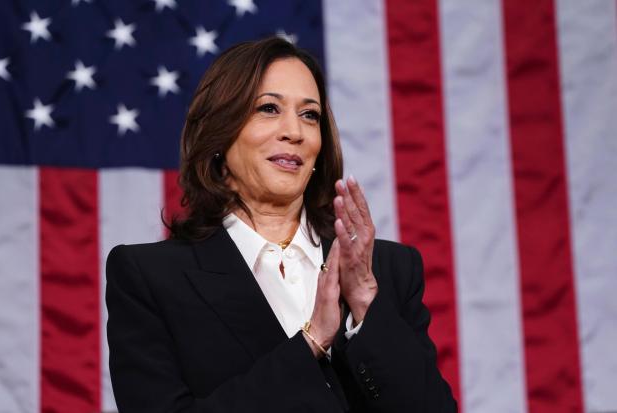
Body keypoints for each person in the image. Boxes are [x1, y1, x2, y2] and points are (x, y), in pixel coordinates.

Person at [106, 37, 457, 412]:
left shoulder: (388, 270)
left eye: (310, 115)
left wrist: (365, 306)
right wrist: (311, 344)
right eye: (269, 108)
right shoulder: (149, 277)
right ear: (220, 135)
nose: (295, 131)